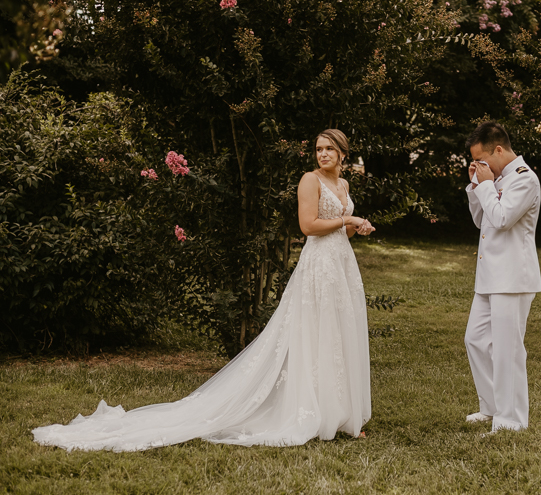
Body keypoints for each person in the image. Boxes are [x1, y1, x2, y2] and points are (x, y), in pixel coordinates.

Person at [33, 129, 376, 451]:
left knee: (338, 334)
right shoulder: (309, 180)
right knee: (316, 335)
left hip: (342, 267)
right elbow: (309, 226)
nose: (323, 154)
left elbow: (337, 233)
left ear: (343, 153)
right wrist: (347, 220)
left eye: (330, 148)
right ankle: (314, 413)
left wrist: (355, 228)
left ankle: (341, 415)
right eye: (319, 149)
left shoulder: (343, 184)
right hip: (317, 268)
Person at [463, 121, 541, 434]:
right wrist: (475, 186)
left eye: (482, 160)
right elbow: (482, 218)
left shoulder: (525, 180)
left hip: (512, 277)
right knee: (476, 340)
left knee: (508, 349)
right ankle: (492, 407)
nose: (480, 166)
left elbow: (502, 218)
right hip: (489, 276)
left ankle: (511, 420)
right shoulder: (494, 178)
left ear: (498, 149)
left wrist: (484, 185)